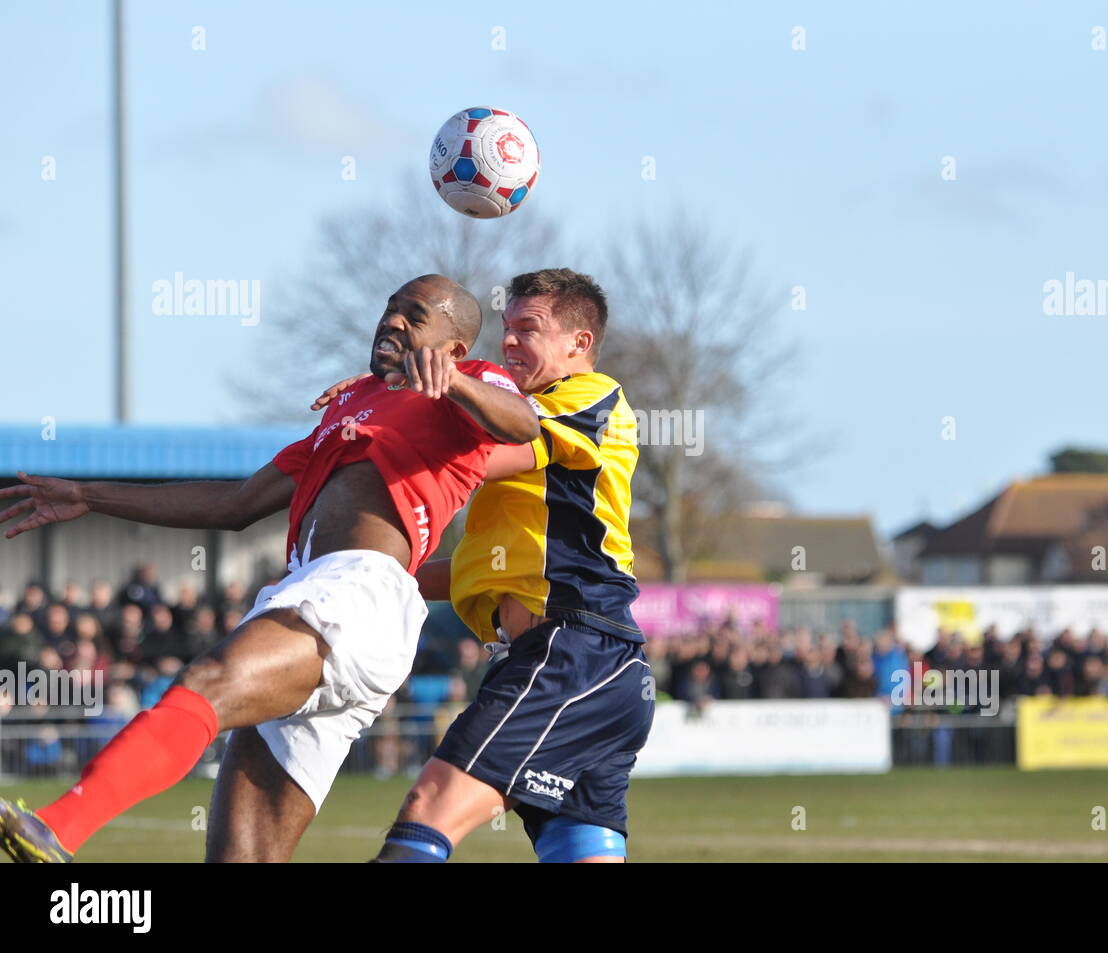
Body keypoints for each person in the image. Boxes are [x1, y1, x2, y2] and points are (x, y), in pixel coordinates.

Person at [0, 275, 538, 863]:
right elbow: (233, 506)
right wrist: (89, 495)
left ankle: (58, 826)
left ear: (455, 347)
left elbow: (523, 424)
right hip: (320, 601)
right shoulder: (352, 406)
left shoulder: (469, 383)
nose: (394, 321)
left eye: (415, 315)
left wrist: (455, 382)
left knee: (208, 682)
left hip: (360, 594)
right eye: (390, 309)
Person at [314, 268, 652, 863]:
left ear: (580, 344)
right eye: (507, 328)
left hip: (571, 654)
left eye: (530, 328)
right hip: (577, 663)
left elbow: (467, 460)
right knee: (578, 849)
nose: (512, 341)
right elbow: (473, 569)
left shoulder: (586, 396)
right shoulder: (531, 436)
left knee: (427, 811)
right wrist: (343, 575)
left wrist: (382, 407)